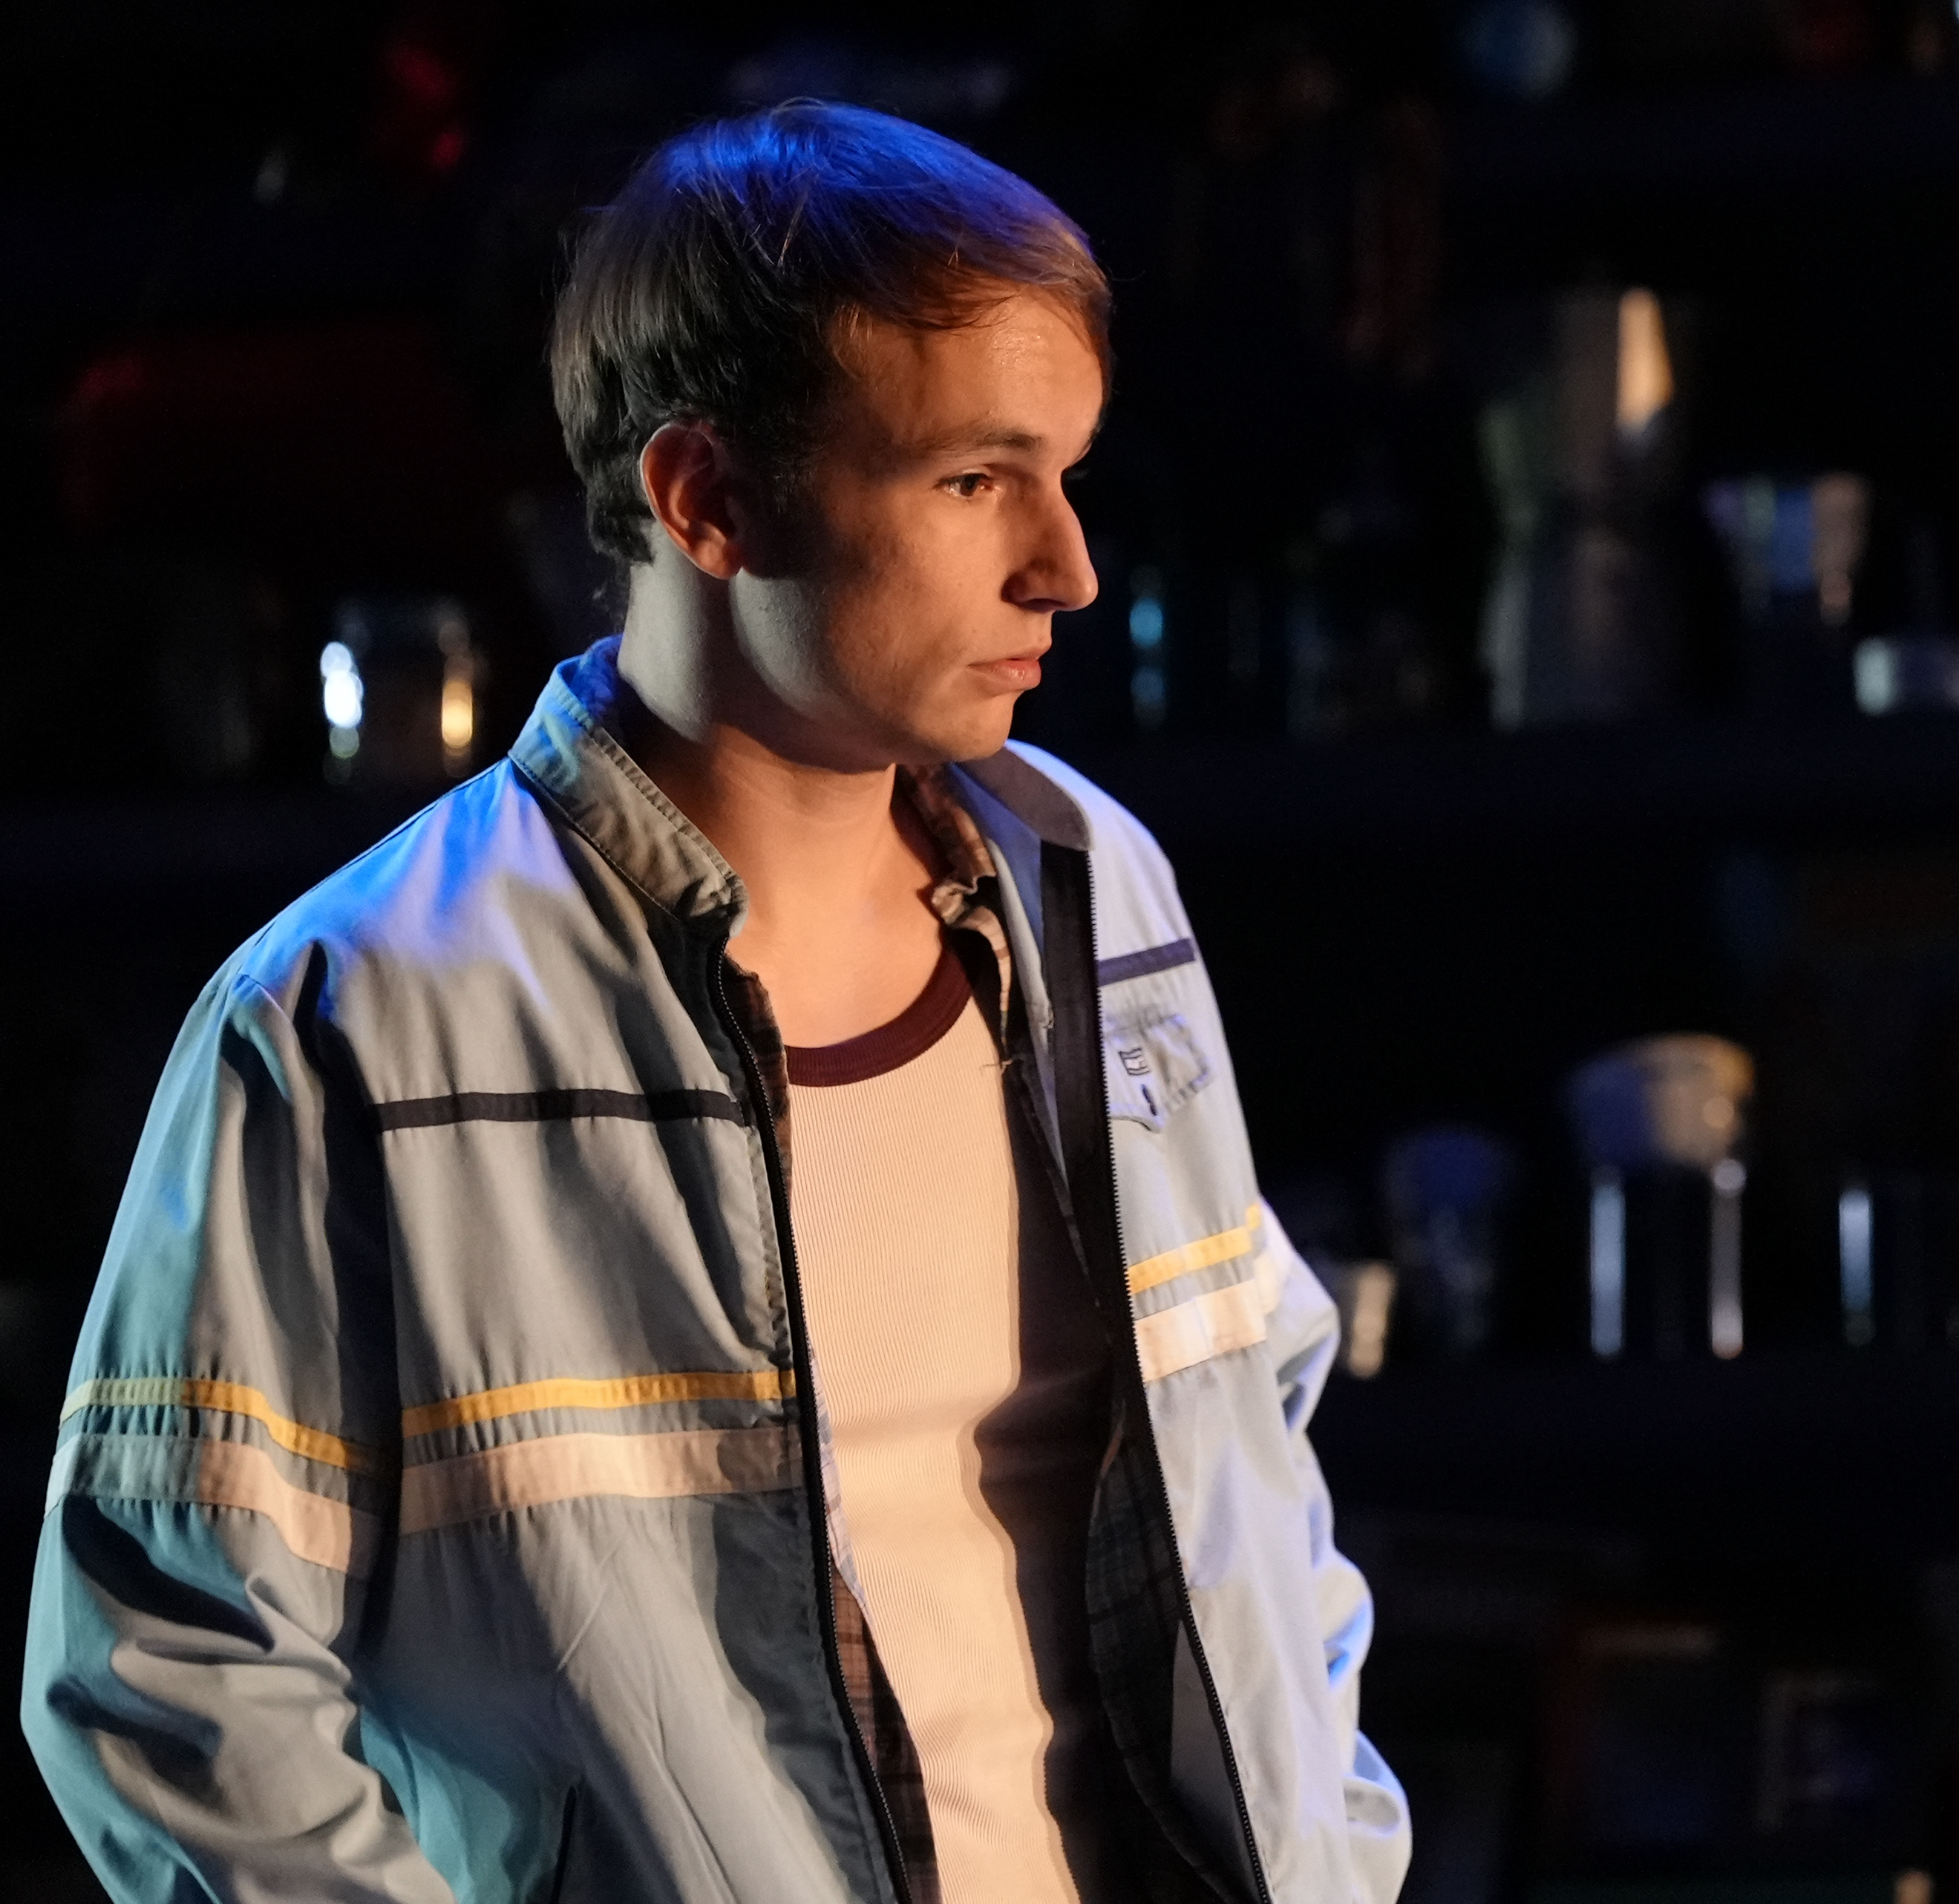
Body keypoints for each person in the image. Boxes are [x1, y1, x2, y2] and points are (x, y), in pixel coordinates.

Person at [23, 103, 1408, 1904]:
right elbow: (172, 1677)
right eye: (974, 480)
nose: (1066, 564)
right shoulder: (361, 1019)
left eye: (1066, 473)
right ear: (707, 498)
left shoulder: (1094, 890)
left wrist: (1333, 1857)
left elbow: (1252, 1449)